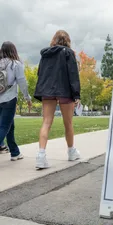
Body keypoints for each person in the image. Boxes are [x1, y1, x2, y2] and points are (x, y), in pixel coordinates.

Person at [34, 30, 81, 169]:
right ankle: (71, 151)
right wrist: (76, 94)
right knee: (68, 123)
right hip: (65, 89)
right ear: (67, 40)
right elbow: (73, 74)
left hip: (47, 90)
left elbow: (39, 72)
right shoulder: (68, 53)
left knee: (46, 122)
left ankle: (41, 156)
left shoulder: (45, 55)